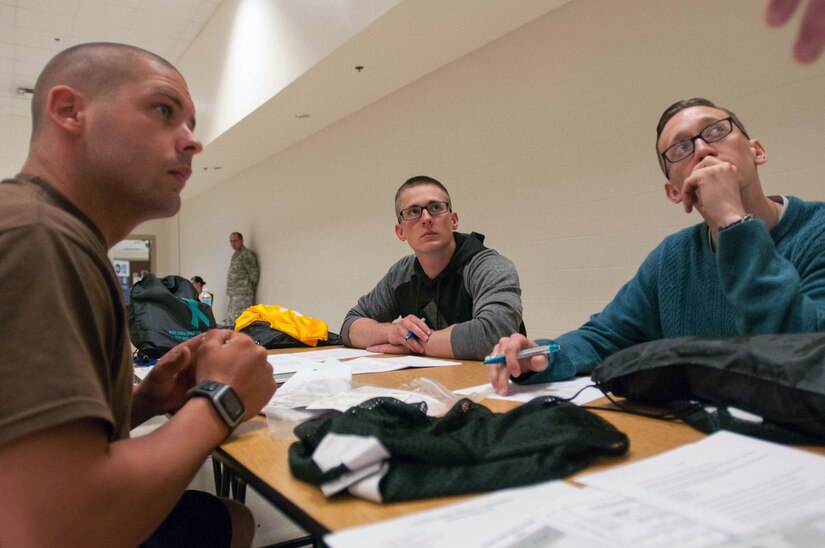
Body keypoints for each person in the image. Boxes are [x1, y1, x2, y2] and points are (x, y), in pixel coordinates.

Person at [0, 42, 276, 546]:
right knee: (230, 521)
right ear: (69, 111)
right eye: (164, 110)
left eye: (192, 123)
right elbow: (55, 528)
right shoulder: (38, 239)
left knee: (226, 515)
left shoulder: (50, 231)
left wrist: (140, 403)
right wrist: (221, 400)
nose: (192, 142)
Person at [488, 98, 825, 395]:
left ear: (757, 150)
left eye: (717, 131)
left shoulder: (817, 231)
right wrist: (541, 355)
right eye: (681, 148)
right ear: (675, 192)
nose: (703, 150)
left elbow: (803, 359)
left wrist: (733, 220)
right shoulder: (672, 259)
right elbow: (604, 336)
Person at [341, 175, 525, 360]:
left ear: (453, 220)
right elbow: (350, 326)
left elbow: (494, 336)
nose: (426, 218)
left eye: (436, 208)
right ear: (401, 231)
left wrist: (413, 344)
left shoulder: (489, 267)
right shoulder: (401, 274)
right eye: (413, 212)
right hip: (428, 383)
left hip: (492, 384)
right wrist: (393, 332)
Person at [226, 232, 259, 327]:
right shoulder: (235, 255)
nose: (233, 243)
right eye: (231, 241)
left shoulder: (247, 254)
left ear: (242, 241)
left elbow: (254, 274)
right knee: (232, 321)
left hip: (243, 296)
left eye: (235, 241)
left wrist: (247, 290)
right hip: (233, 295)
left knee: (241, 320)